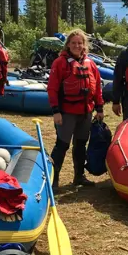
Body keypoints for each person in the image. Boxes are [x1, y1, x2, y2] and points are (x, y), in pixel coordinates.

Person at [46, 29, 105, 189]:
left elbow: (97, 87)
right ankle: (53, 179)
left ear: (84, 45)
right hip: (66, 113)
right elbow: (52, 88)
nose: (77, 46)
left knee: (80, 145)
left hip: (85, 112)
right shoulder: (60, 63)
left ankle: (79, 176)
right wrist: (55, 111)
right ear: (68, 45)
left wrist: (99, 108)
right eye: (73, 43)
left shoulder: (90, 64)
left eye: (80, 43)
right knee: (62, 145)